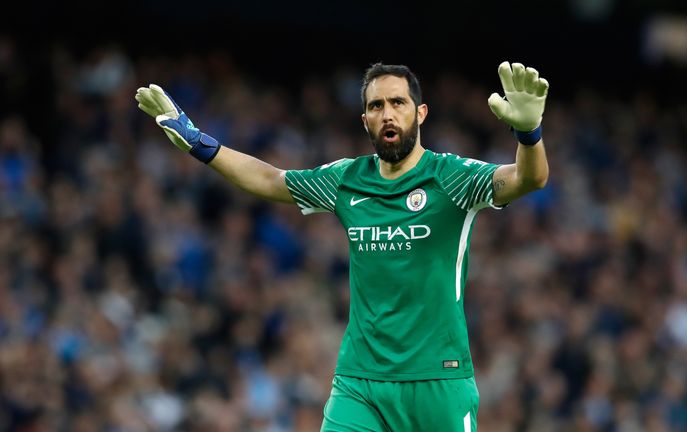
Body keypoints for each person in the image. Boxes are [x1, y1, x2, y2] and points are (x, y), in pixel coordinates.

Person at [136, 60, 549, 431]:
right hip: (359, 381)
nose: (387, 113)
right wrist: (199, 143)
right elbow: (270, 180)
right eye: (376, 106)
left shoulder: (452, 177)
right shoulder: (346, 179)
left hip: (437, 380)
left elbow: (528, 179)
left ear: (420, 113)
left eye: (398, 103)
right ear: (365, 120)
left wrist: (529, 135)